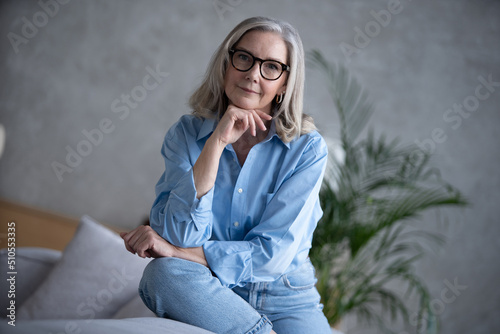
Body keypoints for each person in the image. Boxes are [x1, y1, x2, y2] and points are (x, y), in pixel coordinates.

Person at [120, 16, 332, 334]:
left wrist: (178, 253)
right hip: (209, 291)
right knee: (160, 275)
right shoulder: (187, 134)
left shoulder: (307, 149)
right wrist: (216, 143)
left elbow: (272, 256)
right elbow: (181, 234)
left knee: (170, 261)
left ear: (285, 84)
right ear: (226, 64)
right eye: (244, 58)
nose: (252, 75)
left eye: (271, 67)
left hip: (285, 297)